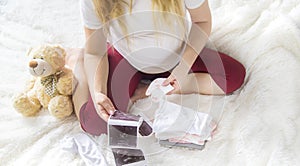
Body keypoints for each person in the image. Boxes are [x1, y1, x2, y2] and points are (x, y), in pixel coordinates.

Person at [71, 0, 246, 136]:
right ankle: (78, 65)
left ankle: (148, 88)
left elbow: (202, 21)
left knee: (233, 76)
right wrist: (98, 92)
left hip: (178, 55)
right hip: (126, 59)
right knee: (97, 124)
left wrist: (183, 68)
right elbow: (95, 51)